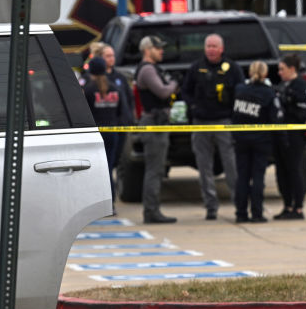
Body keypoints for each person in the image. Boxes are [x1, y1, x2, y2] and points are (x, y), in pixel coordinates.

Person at [181, 33, 244, 221]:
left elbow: (240, 92)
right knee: (204, 166)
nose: (211, 49)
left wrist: (233, 114)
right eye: (208, 46)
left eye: (215, 46)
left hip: (224, 122)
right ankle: (210, 206)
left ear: (222, 49)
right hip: (200, 123)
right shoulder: (196, 68)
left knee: (231, 165)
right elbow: (185, 91)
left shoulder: (232, 69)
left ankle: (239, 203)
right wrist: (193, 106)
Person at [134, 35, 179, 224]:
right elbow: (162, 91)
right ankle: (151, 211)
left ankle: (152, 209)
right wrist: (175, 84)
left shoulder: (152, 68)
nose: (161, 51)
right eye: (158, 48)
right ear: (147, 50)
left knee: (157, 169)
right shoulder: (148, 70)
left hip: (157, 122)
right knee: (155, 170)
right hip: (154, 123)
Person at [231, 61, 279, 223]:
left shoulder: (239, 90)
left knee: (242, 177)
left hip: (240, 139)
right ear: (265, 74)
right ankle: (257, 213)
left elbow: (234, 114)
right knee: (258, 177)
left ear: (250, 73)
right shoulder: (268, 93)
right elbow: (274, 118)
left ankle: (240, 213)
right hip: (261, 140)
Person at [82, 55, 127, 211]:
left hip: (95, 135)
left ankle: (96, 204)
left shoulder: (88, 89)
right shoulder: (115, 88)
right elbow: (123, 112)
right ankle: (111, 204)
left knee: (94, 170)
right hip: (112, 134)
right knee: (108, 168)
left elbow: (84, 113)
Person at [273, 54, 306, 220]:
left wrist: (291, 98)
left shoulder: (301, 84)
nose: (279, 72)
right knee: (281, 172)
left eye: (282, 69)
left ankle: (298, 208)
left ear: (292, 69)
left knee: (294, 170)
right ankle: (287, 205)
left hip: (295, 135)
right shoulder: (283, 85)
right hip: (281, 134)